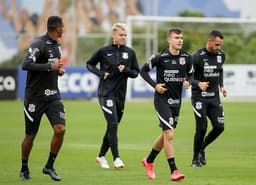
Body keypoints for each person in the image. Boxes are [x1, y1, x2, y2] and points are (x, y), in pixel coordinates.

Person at [140, 28, 192, 181]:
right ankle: (174, 170)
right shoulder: (159, 57)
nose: (180, 40)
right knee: (169, 134)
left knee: (165, 135)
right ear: (169, 40)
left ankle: (149, 161)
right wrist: (155, 85)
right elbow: (142, 71)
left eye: (181, 37)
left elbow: (191, 73)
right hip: (162, 100)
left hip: (177, 101)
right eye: (176, 37)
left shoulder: (186, 57)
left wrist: (188, 80)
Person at [86, 22, 139, 169]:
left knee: (112, 126)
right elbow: (89, 64)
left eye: (125, 35)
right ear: (113, 35)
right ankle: (116, 158)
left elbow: (135, 73)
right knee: (113, 124)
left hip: (120, 96)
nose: (123, 37)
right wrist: (101, 74)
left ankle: (101, 156)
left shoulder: (130, 52)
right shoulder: (104, 51)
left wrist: (126, 70)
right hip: (106, 93)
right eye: (121, 35)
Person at [20, 16, 66, 181]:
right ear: (57, 28)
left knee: (60, 129)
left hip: (53, 96)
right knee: (30, 136)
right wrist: (49, 67)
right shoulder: (38, 43)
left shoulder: (57, 46)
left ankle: (49, 166)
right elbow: (26, 65)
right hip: (35, 98)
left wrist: (57, 70)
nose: (64, 29)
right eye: (62, 26)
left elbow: (52, 66)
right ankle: (24, 167)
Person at [190, 30, 227, 167]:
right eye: (217, 44)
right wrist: (198, 83)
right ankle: (195, 159)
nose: (219, 48)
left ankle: (202, 148)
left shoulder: (221, 56)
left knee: (219, 127)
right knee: (202, 128)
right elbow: (188, 76)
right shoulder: (197, 56)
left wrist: (221, 86)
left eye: (220, 45)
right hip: (199, 97)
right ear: (209, 41)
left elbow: (220, 70)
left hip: (214, 97)